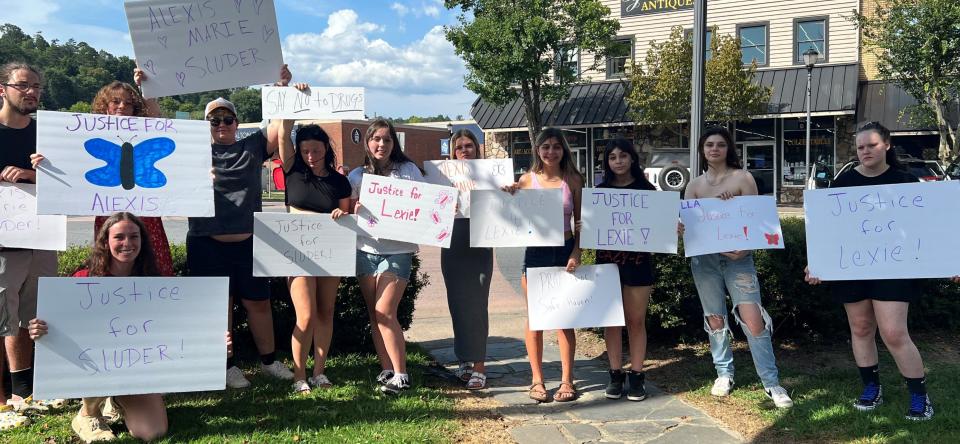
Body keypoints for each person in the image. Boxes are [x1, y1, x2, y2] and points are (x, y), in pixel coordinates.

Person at [805, 122, 933, 420]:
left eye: (871, 145)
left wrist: (951, 261)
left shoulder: (906, 182)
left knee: (894, 332)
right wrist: (817, 262)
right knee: (860, 329)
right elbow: (827, 230)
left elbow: (928, 228)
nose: (865, 151)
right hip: (853, 267)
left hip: (894, 267)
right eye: (860, 147)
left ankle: (919, 395)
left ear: (886, 145)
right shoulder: (843, 184)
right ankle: (871, 388)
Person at [186, 65, 296, 388]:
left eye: (227, 119)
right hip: (206, 241)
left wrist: (281, 88)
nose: (221, 125)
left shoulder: (251, 146)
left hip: (249, 242)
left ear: (236, 123)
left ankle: (269, 362)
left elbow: (276, 130)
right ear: (207, 125)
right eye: (214, 120)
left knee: (258, 303)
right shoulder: (193, 153)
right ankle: (227, 366)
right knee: (219, 306)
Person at [28, 212, 167, 442]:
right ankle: (88, 413)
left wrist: (212, 340)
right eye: (119, 237)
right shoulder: (84, 279)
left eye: (134, 236)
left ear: (143, 240)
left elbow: (172, 328)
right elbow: (58, 323)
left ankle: (116, 399)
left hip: (134, 366)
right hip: (95, 365)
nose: (127, 244)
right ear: (105, 241)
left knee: (153, 432)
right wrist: (40, 330)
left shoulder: (153, 282)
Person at [683, 126, 793, 408]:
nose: (714, 149)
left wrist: (746, 246)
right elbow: (692, 227)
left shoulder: (743, 178)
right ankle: (723, 373)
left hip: (739, 259)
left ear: (728, 148)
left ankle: (771, 381)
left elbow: (757, 220)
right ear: (702, 150)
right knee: (714, 316)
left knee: (753, 317)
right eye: (709, 145)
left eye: (720, 144)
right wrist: (681, 227)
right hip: (705, 260)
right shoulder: (694, 185)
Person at [31, 70, 175, 277]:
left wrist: (147, 87)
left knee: (152, 269)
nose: (122, 106)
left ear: (135, 109)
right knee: (110, 267)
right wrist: (46, 163)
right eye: (115, 101)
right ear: (105, 107)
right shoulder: (86, 134)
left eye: (128, 103)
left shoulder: (148, 130)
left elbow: (158, 121)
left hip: (145, 215)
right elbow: (70, 163)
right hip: (109, 216)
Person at [0, 62, 61, 425]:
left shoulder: (47, 135)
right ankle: (1, 403)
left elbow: (70, 178)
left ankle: (25, 393)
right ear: (2, 89)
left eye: (37, 86)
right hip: (3, 242)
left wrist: (34, 173)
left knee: (29, 316)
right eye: (23, 85)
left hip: (41, 236)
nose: (32, 92)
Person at [503, 127, 583, 403]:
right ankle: (537, 380)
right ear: (537, 150)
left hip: (563, 249)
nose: (551, 152)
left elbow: (581, 222)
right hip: (536, 251)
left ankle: (567, 380)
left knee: (563, 318)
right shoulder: (527, 180)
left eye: (556, 146)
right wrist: (509, 193)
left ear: (564, 150)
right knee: (536, 317)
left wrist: (576, 251)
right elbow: (508, 212)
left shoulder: (573, 179)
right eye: (545, 146)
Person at [347, 118, 424, 395]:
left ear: (394, 143)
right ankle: (387, 369)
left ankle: (402, 374)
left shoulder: (408, 170)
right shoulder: (356, 176)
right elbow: (346, 210)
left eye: (387, 139)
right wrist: (352, 209)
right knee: (374, 313)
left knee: (385, 311)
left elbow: (422, 205)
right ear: (367, 142)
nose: (382, 144)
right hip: (365, 250)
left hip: (398, 251)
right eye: (376, 139)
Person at [277, 116, 352, 393]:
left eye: (316, 151)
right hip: (296, 252)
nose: (311, 156)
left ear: (326, 150)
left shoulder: (339, 182)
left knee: (325, 311)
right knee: (305, 315)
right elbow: (283, 133)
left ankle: (319, 372)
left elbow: (348, 216)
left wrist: (341, 214)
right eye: (305, 150)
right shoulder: (292, 170)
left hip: (330, 250)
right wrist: (285, 95)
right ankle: (299, 376)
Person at [594, 138, 656, 401]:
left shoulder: (648, 191)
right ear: (607, 162)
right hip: (608, 264)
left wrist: (669, 228)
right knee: (612, 321)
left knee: (636, 321)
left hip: (639, 264)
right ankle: (615, 374)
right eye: (612, 157)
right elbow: (591, 228)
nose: (618, 161)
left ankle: (637, 376)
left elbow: (658, 229)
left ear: (632, 158)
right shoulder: (599, 192)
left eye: (623, 156)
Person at [439, 129, 493, 390]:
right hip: (453, 239)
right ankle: (464, 360)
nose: (464, 150)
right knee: (457, 301)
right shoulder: (442, 176)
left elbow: (505, 204)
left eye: (468, 145)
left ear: (477, 148)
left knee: (478, 302)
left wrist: (507, 190)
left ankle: (480, 364)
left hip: (481, 239)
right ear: (452, 151)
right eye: (459, 146)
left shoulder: (491, 173)